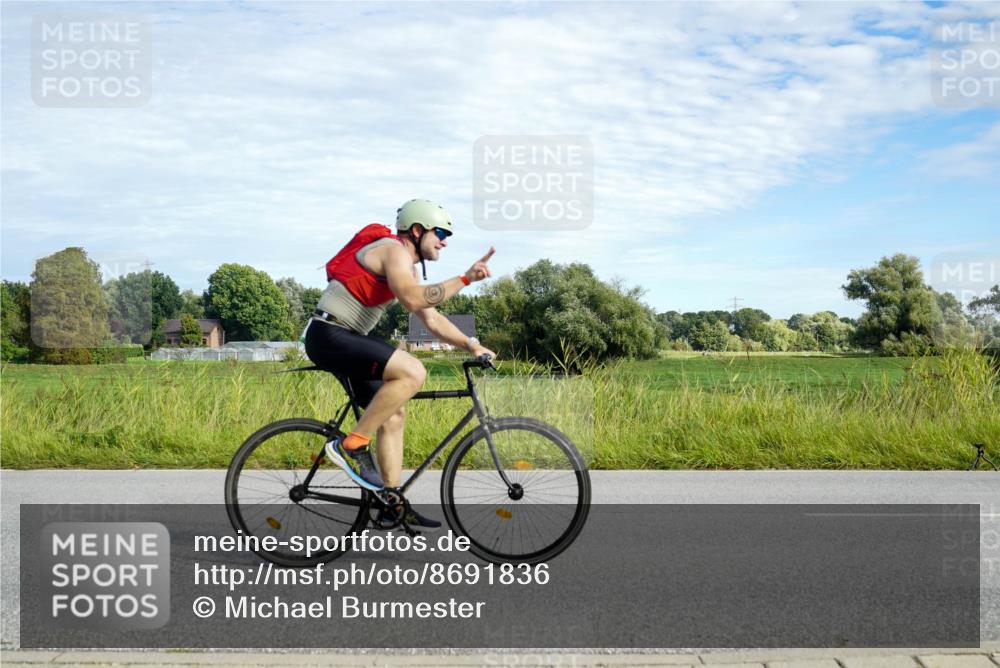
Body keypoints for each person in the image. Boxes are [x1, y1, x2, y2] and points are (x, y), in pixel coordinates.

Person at [303, 199, 496, 530]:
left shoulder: (404, 265)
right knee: (413, 371)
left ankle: (390, 504)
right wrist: (464, 279)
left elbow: (432, 319)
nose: (444, 241)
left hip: (344, 336)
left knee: (393, 413)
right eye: (440, 233)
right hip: (329, 334)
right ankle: (352, 443)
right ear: (417, 230)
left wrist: (472, 344)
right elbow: (412, 298)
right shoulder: (393, 250)